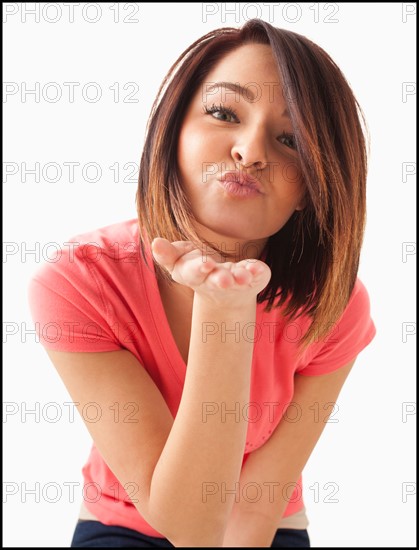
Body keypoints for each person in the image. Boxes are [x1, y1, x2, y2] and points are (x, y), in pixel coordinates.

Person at [28, 18, 376, 548]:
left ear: (312, 186)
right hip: (125, 524)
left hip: (264, 526)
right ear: (174, 135)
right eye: (223, 113)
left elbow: (246, 519)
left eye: (289, 139)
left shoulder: (335, 306)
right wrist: (224, 308)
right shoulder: (79, 282)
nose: (250, 151)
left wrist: (226, 302)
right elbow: (187, 524)